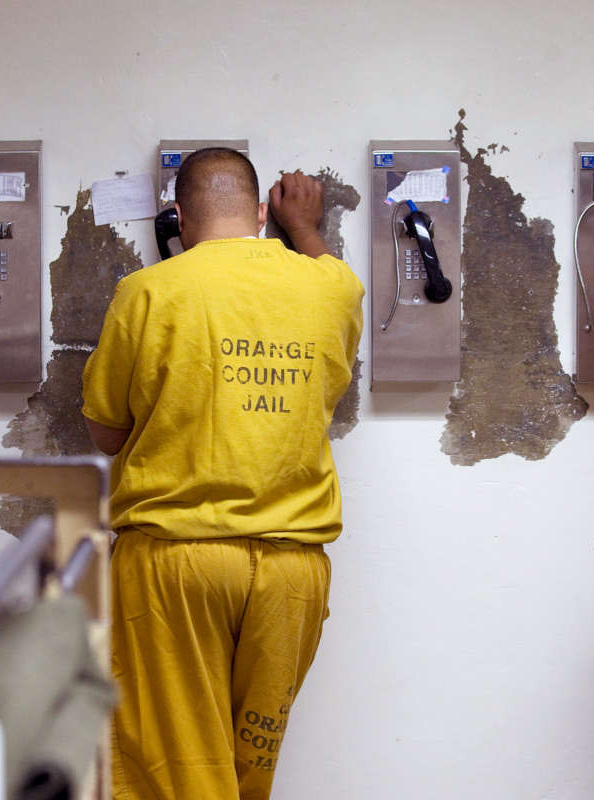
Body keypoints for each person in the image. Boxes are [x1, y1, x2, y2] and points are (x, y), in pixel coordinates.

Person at [81, 148, 363, 799]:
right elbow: (336, 276)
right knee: (247, 775)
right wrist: (306, 226)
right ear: (261, 211)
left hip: (175, 565)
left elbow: (105, 431)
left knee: (172, 772)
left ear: (177, 217)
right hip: (292, 571)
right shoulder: (330, 287)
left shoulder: (149, 292)